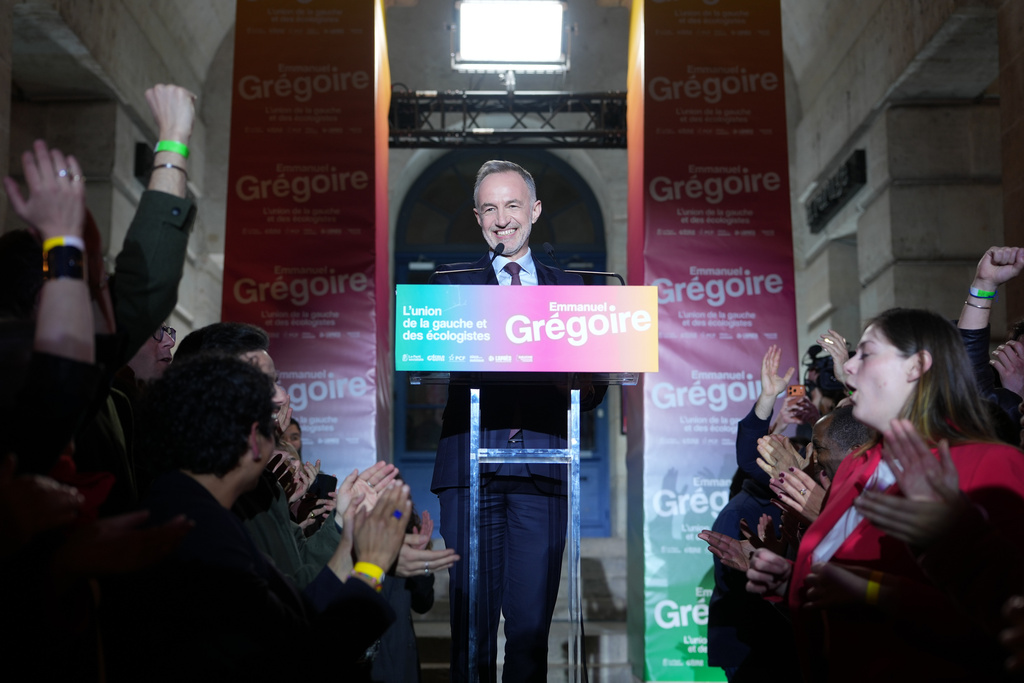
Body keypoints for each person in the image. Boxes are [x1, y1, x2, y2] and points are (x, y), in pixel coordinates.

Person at [746, 308, 1024, 681]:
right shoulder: (859, 463)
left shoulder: (991, 463)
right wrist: (793, 583)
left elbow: (1004, 620)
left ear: (916, 367)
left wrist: (873, 592)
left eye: (867, 353)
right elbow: (841, 592)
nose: (848, 366)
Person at [104, 354, 407, 681]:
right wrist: (372, 567)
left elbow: (298, 612)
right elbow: (302, 655)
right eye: (271, 426)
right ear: (253, 439)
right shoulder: (201, 538)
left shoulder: (191, 507)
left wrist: (348, 532)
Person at [431, 160, 606, 682]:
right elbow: (427, 360)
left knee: (529, 630)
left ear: (535, 210)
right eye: (489, 208)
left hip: (542, 470)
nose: (502, 218)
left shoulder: (571, 287)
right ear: (477, 218)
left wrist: (578, 381)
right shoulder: (451, 287)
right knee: (472, 627)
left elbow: (595, 385)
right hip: (469, 470)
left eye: (512, 205)